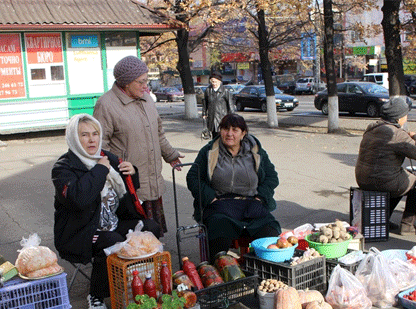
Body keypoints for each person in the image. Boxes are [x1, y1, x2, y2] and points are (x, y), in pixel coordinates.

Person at [52, 114, 161, 309]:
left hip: (113, 223)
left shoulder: (108, 158)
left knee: (150, 227)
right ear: (74, 139)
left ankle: (139, 283)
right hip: (80, 233)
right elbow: (78, 199)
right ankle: (96, 296)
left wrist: (132, 173)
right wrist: (100, 170)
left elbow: (126, 194)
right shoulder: (63, 168)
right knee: (111, 241)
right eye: (84, 135)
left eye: (95, 133)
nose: (92, 139)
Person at [93, 55, 183, 238]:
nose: (146, 86)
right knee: (133, 236)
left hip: (151, 177)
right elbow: (99, 147)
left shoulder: (147, 100)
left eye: (146, 80)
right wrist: (113, 172)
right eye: (141, 82)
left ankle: (156, 259)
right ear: (126, 83)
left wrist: (171, 155)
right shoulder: (106, 105)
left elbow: (158, 134)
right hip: (128, 183)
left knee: (153, 234)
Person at [186, 113, 281, 260]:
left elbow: (271, 177)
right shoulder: (209, 151)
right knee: (218, 229)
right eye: (225, 129)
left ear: (243, 133)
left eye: (235, 130)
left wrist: (260, 197)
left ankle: (260, 270)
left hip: (251, 203)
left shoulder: (255, 151)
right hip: (220, 204)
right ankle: (219, 272)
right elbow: (193, 177)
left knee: (269, 231)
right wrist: (210, 198)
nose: (229, 134)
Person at [355, 97, 416, 235]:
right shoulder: (396, 134)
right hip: (380, 181)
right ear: (399, 117)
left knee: (401, 179)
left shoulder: (373, 128)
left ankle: (383, 219)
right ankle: (408, 226)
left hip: (363, 178)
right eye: (405, 115)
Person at [203, 71, 235, 138]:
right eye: (212, 81)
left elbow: (231, 106)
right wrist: (204, 114)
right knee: (214, 140)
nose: (214, 83)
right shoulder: (208, 90)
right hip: (212, 119)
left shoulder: (225, 91)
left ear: (219, 81)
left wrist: (232, 119)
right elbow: (205, 103)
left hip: (222, 119)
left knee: (223, 139)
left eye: (215, 81)